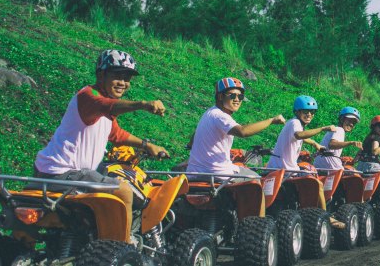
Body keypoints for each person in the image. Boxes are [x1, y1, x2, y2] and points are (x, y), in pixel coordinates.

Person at [33, 49, 170, 242]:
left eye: (127, 78)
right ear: (101, 74)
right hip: (65, 173)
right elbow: (109, 106)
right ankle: (123, 247)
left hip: (49, 170)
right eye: (117, 76)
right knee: (124, 191)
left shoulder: (102, 108)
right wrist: (143, 104)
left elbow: (115, 133)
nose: (123, 82)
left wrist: (147, 145)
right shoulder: (89, 96)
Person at [186, 77, 285, 180]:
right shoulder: (220, 116)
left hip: (196, 171)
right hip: (217, 172)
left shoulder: (209, 113)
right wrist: (271, 121)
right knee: (256, 178)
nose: (237, 99)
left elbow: (195, 134)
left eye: (240, 96)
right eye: (232, 95)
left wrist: (189, 145)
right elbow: (242, 131)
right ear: (220, 96)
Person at [266, 95, 335, 171]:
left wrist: (314, 143)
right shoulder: (295, 123)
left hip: (279, 167)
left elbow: (301, 137)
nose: (309, 114)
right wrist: (322, 129)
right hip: (284, 169)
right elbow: (299, 135)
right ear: (297, 112)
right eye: (305, 111)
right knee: (317, 180)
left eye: (312, 112)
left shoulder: (294, 122)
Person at [314, 106, 363, 171]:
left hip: (319, 165)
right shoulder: (340, 130)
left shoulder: (335, 129)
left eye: (354, 122)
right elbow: (332, 145)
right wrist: (350, 143)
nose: (351, 124)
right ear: (342, 119)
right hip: (330, 167)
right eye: (349, 120)